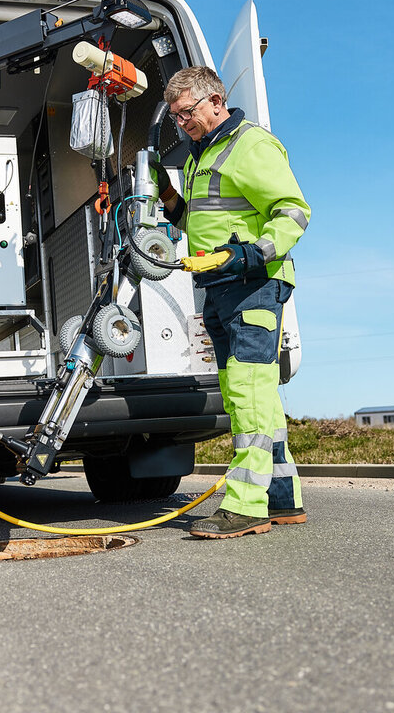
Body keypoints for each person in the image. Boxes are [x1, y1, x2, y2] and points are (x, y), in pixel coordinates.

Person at [156, 66, 311, 539]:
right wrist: (167, 199)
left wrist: (250, 254)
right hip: (221, 287)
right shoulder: (200, 157)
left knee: (248, 390)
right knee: (251, 391)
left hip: (255, 283)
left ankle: (245, 506)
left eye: (187, 113)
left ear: (216, 101)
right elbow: (201, 225)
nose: (182, 123)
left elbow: (293, 212)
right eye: (176, 117)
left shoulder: (251, 144)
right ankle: (282, 499)